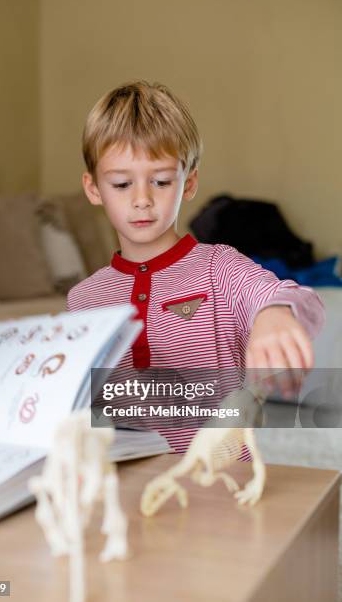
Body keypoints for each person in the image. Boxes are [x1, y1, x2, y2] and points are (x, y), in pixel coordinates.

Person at [66, 80, 325, 453]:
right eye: (122, 184)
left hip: (220, 484)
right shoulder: (82, 300)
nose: (142, 200)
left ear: (188, 184)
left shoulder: (221, 268)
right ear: (94, 189)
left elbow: (299, 298)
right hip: (125, 489)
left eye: (160, 181)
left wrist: (276, 314)